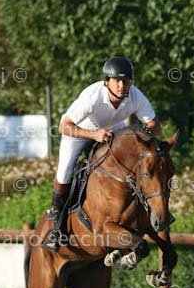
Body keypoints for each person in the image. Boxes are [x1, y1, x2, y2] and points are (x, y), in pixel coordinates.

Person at [41, 56, 162, 252]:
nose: (122, 86)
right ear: (107, 81)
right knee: (64, 172)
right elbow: (64, 126)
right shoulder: (93, 96)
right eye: (117, 81)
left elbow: (155, 125)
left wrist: (142, 137)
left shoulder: (135, 95)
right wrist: (93, 135)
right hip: (80, 130)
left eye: (126, 81)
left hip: (112, 128)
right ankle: (56, 225)